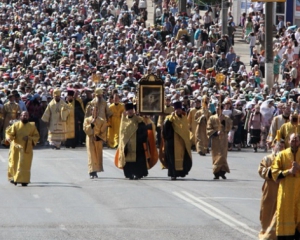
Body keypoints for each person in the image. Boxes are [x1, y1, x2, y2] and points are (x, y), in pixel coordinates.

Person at [271, 133, 300, 239]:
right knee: (286, 215)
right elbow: (274, 171)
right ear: (288, 141)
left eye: (296, 140)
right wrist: (288, 171)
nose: (294, 142)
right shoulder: (282, 155)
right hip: (286, 191)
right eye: (292, 140)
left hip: (299, 191)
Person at [115, 102, 150, 180]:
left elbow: (143, 130)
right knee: (128, 159)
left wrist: (140, 139)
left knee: (137, 159)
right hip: (127, 143)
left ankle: (137, 173)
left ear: (133, 110)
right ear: (126, 111)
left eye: (131, 110)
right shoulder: (123, 119)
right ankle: (129, 173)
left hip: (137, 142)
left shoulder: (138, 119)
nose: (130, 111)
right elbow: (122, 132)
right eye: (128, 110)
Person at [258, 140, 285, 240]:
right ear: (274, 147)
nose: (281, 148)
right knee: (266, 212)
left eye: (283, 146)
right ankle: (266, 233)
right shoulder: (268, 159)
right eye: (279, 146)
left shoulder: (286, 159)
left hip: (282, 189)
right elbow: (261, 170)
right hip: (270, 190)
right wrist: (274, 172)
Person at [6, 111, 39, 186]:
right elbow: (9, 133)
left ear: (28, 116)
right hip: (16, 148)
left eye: (26, 115)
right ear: (20, 116)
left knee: (25, 165)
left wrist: (29, 138)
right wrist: (9, 138)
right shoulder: (16, 125)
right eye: (23, 115)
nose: (25, 116)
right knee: (14, 163)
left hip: (26, 148)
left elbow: (36, 136)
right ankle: (14, 178)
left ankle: (24, 180)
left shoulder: (32, 126)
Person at [162, 101, 192, 180]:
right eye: (177, 109)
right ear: (174, 110)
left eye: (179, 109)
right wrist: (170, 120)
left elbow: (185, 130)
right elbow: (165, 128)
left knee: (182, 158)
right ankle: (173, 174)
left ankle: (180, 172)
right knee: (172, 159)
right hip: (172, 141)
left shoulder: (184, 118)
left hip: (181, 141)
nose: (178, 111)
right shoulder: (169, 118)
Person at [207, 104, 232, 179]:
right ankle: (216, 172)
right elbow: (208, 128)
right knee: (216, 156)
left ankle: (222, 172)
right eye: (217, 109)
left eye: (220, 109)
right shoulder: (212, 118)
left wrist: (223, 121)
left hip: (223, 139)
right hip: (215, 140)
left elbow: (229, 126)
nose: (218, 110)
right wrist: (215, 132)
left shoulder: (226, 118)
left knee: (223, 156)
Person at [83, 106, 107, 179]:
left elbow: (104, 130)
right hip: (90, 139)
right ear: (91, 111)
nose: (95, 112)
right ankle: (91, 171)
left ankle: (95, 171)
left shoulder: (102, 120)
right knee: (91, 155)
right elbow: (85, 129)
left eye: (96, 111)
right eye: (93, 111)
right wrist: (91, 124)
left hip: (98, 140)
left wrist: (100, 137)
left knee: (97, 156)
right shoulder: (87, 120)